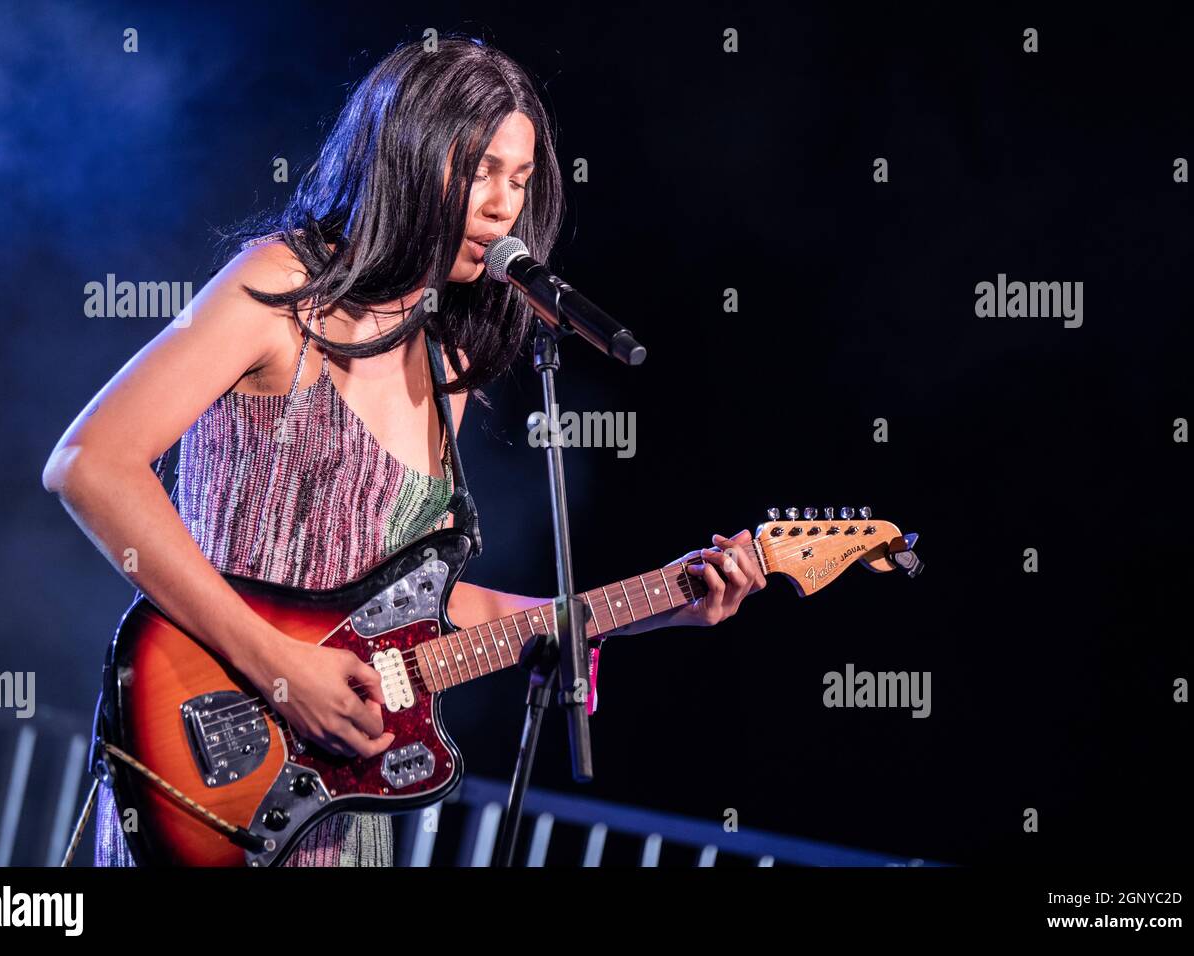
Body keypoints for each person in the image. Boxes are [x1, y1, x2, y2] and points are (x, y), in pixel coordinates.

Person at [42, 34, 766, 867]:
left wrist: (655, 606)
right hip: (216, 765)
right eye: (482, 170)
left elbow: (416, 611)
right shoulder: (280, 291)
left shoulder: (446, 367)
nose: (503, 207)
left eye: (521, 182)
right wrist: (281, 667)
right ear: (410, 155)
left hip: (343, 806)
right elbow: (91, 462)